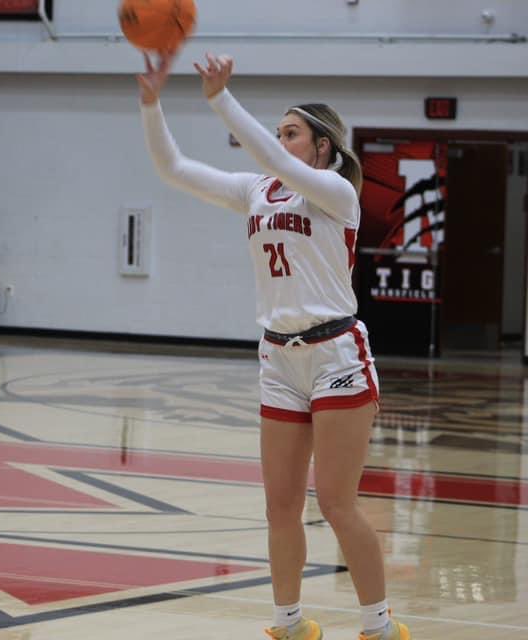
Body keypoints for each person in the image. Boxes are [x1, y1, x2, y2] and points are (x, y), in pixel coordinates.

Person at [137, 51, 409, 640]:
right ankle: (288, 623)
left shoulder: (335, 192)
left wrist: (219, 99)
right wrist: (151, 103)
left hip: (337, 354)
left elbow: (262, 153)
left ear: (323, 148)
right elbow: (174, 168)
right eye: (278, 132)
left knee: (337, 503)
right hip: (278, 358)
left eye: (291, 133)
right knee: (279, 506)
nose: (280, 141)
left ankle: (380, 626)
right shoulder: (257, 191)